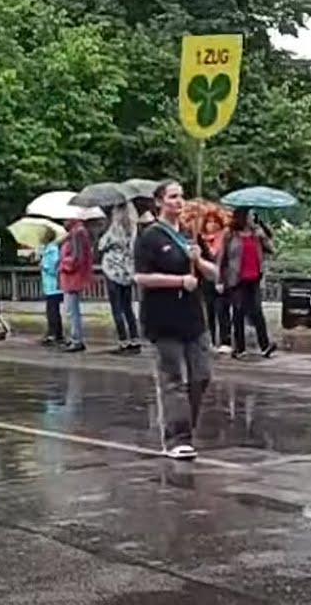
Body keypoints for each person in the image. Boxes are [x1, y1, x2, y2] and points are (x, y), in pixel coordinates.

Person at [133, 180, 220, 460]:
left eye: (181, 196)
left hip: (193, 317)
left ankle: (186, 426)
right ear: (159, 202)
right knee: (172, 380)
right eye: (172, 197)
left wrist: (199, 260)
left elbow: (214, 273)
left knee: (201, 375)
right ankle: (176, 438)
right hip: (163, 318)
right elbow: (141, 277)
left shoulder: (189, 235)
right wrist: (179, 281)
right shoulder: (150, 237)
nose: (179, 201)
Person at [219, 207, 278, 359]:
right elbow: (222, 258)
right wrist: (219, 279)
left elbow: (272, 249)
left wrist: (263, 235)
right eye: (251, 215)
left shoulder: (256, 234)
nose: (253, 219)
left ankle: (265, 346)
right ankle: (239, 348)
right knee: (238, 312)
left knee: (257, 312)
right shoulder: (230, 235)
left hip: (254, 278)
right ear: (243, 217)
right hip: (237, 279)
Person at [99, 202, 142, 354]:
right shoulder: (134, 230)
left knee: (117, 308)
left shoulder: (114, 230)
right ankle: (135, 339)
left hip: (112, 271)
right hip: (128, 272)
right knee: (128, 307)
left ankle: (123, 341)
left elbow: (101, 245)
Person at [194, 210, 232, 354]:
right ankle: (211, 339)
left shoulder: (224, 236)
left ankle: (225, 340)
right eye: (209, 222)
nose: (212, 225)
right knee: (209, 309)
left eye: (215, 222)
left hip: (222, 277)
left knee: (222, 309)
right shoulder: (201, 239)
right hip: (206, 279)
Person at [58, 217, 95, 353]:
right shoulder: (74, 233)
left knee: (71, 310)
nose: (63, 223)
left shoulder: (78, 233)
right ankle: (74, 337)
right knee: (70, 310)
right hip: (70, 277)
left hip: (72, 277)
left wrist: (63, 265)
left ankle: (76, 339)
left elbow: (76, 258)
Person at [39, 229, 65, 346]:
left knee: (52, 311)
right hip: (50, 286)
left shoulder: (52, 251)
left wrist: (44, 266)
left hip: (53, 286)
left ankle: (55, 334)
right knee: (52, 311)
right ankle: (54, 333)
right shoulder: (47, 250)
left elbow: (55, 268)